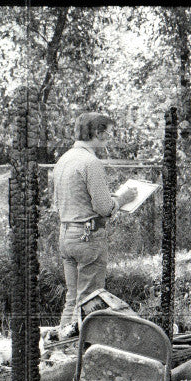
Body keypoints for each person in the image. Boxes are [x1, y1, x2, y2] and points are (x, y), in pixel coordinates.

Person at [53, 112, 135, 332]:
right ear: (97, 133)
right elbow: (103, 207)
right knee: (90, 300)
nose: (109, 138)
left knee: (73, 298)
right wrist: (123, 199)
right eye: (107, 132)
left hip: (66, 234)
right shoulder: (91, 162)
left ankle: (60, 346)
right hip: (88, 236)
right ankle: (79, 350)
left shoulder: (64, 159)